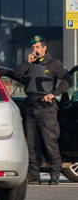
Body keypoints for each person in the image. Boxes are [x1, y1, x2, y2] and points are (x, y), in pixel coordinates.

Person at [14, 35, 69, 185]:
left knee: (50, 143)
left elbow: (67, 80)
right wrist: (27, 62)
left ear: (44, 48)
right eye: (32, 48)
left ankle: (55, 175)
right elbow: (16, 74)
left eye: (37, 47)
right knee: (31, 144)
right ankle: (34, 175)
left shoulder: (54, 64)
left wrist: (54, 94)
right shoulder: (29, 64)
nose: (34, 50)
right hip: (31, 108)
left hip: (47, 109)